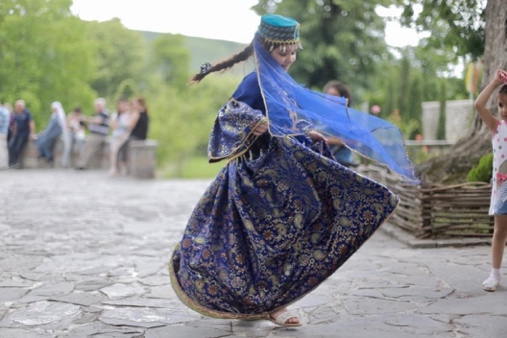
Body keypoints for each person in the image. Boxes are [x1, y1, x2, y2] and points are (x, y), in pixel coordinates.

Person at [169, 14, 416, 327]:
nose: (289, 59)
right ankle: (271, 304)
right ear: (264, 49)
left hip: (282, 175)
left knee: (293, 234)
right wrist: (253, 122)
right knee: (265, 244)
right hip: (255, 180)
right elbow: (229, 113)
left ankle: (273, 301)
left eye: (293, 52)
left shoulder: (282, 85)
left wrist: (308, 133)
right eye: (281, 52)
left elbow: (287, 123)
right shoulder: (254, 81)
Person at [474, 68, 507, 292]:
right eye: (501, 104)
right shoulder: (497, 126)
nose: (503, 110)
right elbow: (478, 105)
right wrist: (495, 82)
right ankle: (494, 274)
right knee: (500, 231)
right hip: (503, 187)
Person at [323, 80, 359, 168]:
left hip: (340, 163)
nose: (330, 99)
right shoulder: (323, 116)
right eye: (328, 95)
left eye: (334, 95)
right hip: (324, 161)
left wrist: (330, 140)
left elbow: (355, 141)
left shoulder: (347, 117)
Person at [114, 96, 149, 176]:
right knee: (124, 149)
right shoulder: (144, 112)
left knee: (120, 150)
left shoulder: (137, 113)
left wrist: (122, 124)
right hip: (141, 136)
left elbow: (130, 126)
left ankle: (118, 169)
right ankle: (124, 168)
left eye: (134, 103)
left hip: (136, 136)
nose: (132, 105)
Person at [76, 98, 110, 170]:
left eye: (98, 106)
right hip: (94, 134)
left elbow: (98, 121)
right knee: (86, 147)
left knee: (89, 148)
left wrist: (87, 119)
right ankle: (82, 163)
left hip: (100, 135)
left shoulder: (105, 113)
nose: (96, 107)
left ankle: (83, 164)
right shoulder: (97, 114)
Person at [8, 100, 35, 169]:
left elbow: (31, 123)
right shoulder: (16, 113)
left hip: (24, 133)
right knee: (11, 145)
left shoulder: (27, 113)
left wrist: (32, 133)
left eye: (19, 106)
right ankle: (11, 162)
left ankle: (16, 162)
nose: (17, 108)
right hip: (17, 133)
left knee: (18, 147)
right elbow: (14, 124)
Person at [109, 97, 132, 176]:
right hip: (116, 136)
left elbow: (129, 126)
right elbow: (114, 125)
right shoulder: (115, 114)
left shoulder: (129, 114)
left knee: (123, 150)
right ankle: (114, 168)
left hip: (125, 136)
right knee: (113, 150)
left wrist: (120, 125)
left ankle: (123, 168)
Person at [0, 102, 10, 169]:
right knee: (4, 148)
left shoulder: (1, 112)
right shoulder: (6, 111)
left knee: (1, 149)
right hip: (5, 132)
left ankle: (1, 165)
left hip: (1, 132)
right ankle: (4, 165)